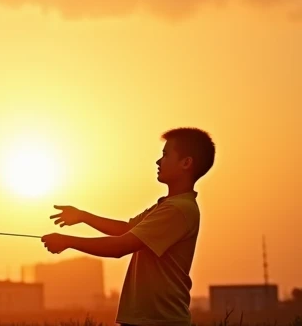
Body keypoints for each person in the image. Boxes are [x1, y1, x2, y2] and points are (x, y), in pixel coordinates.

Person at [41, 127, 216, 326]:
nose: (158, 161)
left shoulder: (178, 210)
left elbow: (120, 246)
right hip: (146, 320)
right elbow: (125, 229)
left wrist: (67, 241)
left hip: (159, 321)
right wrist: (82, 216)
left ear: (186, 163)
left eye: (165, 155)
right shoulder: (167, 205)